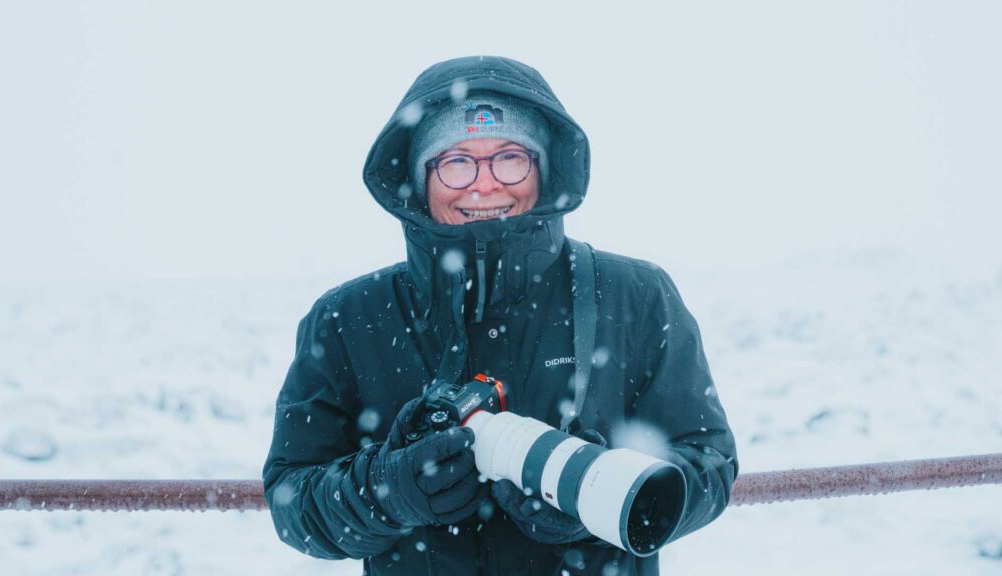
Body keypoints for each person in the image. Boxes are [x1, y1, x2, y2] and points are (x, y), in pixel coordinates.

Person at [263, 55, 738, 576]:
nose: (484, 185)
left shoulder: (633, 294)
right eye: (456, 161)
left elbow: (708, 462)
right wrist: (390, 490)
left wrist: (598, 493)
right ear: (420, 180)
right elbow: (292, 500)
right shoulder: (347, 319)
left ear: (544, 169)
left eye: (511, 158)